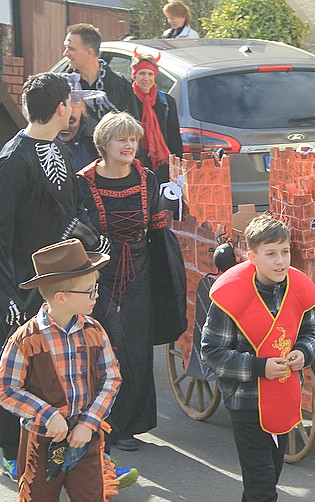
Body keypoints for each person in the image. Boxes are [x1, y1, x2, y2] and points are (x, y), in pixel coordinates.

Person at [0, 72, 110, 483]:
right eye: (71, 101)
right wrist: (5, 294)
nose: (75, 107)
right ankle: (12, 452)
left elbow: (73, 206)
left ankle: (73, 459)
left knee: (66, 371)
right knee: (19, 372)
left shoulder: (60, 148)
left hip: (60, 281)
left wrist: (88, 235)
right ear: (61, 107)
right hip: (21, 285)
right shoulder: (13, 160)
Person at [201, 213, 315, 502]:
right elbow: (211, 353)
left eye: (285, 251)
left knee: (265, 480)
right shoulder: (229, 295)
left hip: (283, 396)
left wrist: (303, 352)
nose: (280, 260)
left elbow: (311, 333)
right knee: (263, 487)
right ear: (252, 257)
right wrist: (259, 366)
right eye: (271, 254)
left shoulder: (300, 288)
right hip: (246, 401)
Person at [0, 239, 122, 502]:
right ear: (61, 297)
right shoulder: (26, 338)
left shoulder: (94, 330)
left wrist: (88, 422)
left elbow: (111, 377)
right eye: (90, 290)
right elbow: (4, 388)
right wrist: (47, 415)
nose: (96, 295)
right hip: (41, 442)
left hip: (85, 439)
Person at [78, 111, 187, 452]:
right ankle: (99, 421)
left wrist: (169, 281)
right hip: (100, 275)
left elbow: (156, 230)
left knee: (137, 349)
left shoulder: (146, 178)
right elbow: (77, 231)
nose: (129, 146)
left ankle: (128, 425)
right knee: (106, 346)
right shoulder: (84, 182)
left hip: (139, 272)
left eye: (133, 140)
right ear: (104, 144)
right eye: (121, 139)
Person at [63, 23, 139, 121]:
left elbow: (132, 127)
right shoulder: (62, 86)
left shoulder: (120, 87)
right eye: (66, 48)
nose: (65, 53)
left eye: (71, 49)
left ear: (89, 52)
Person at [131, 54, 183, 184]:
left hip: (161, 166)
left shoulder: (166, 101)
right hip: (133, 164)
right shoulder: (127, 99)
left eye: (150, 74)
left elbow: (174, 138)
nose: (146, 78)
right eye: (142, 73)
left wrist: (178, 168)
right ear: (134, 76)